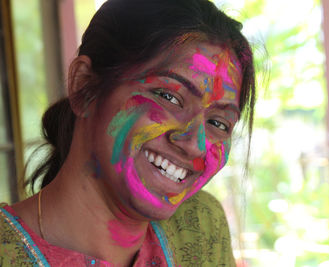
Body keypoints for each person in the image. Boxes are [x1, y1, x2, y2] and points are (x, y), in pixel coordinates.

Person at [0, 0, 255, 266]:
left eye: (218, 123)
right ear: (84, 86)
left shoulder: (200, 227)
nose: (196, 145)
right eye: (168, 96)